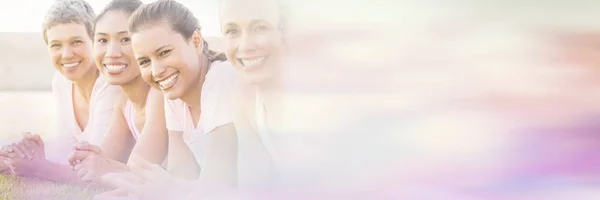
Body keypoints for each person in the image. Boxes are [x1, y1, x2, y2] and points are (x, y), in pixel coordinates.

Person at [98, 0, 238, 198]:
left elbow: (216, 186)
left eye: (164, 53)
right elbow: (183, 173)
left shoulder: (220, 81)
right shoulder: (175, 96)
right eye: (145, 62)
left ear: (196, 41)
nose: (156, 71)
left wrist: (167, 188)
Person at [0, 0, 122, 183]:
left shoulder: (110, 82)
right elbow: (67, 144)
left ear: (95, 40)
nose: (66, 54)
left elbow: (93, 164)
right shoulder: (61, 81)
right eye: (56, 45)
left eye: (76, 42)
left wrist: (38, 166)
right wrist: (26, 152)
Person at [66, 0, 169, 185]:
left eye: (125, 39)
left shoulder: (159, 92)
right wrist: (88, 157)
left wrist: (103, 165)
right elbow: (102, 161)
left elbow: (140, 172)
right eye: (103, 40)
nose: (112, 52)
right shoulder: (124, 102)